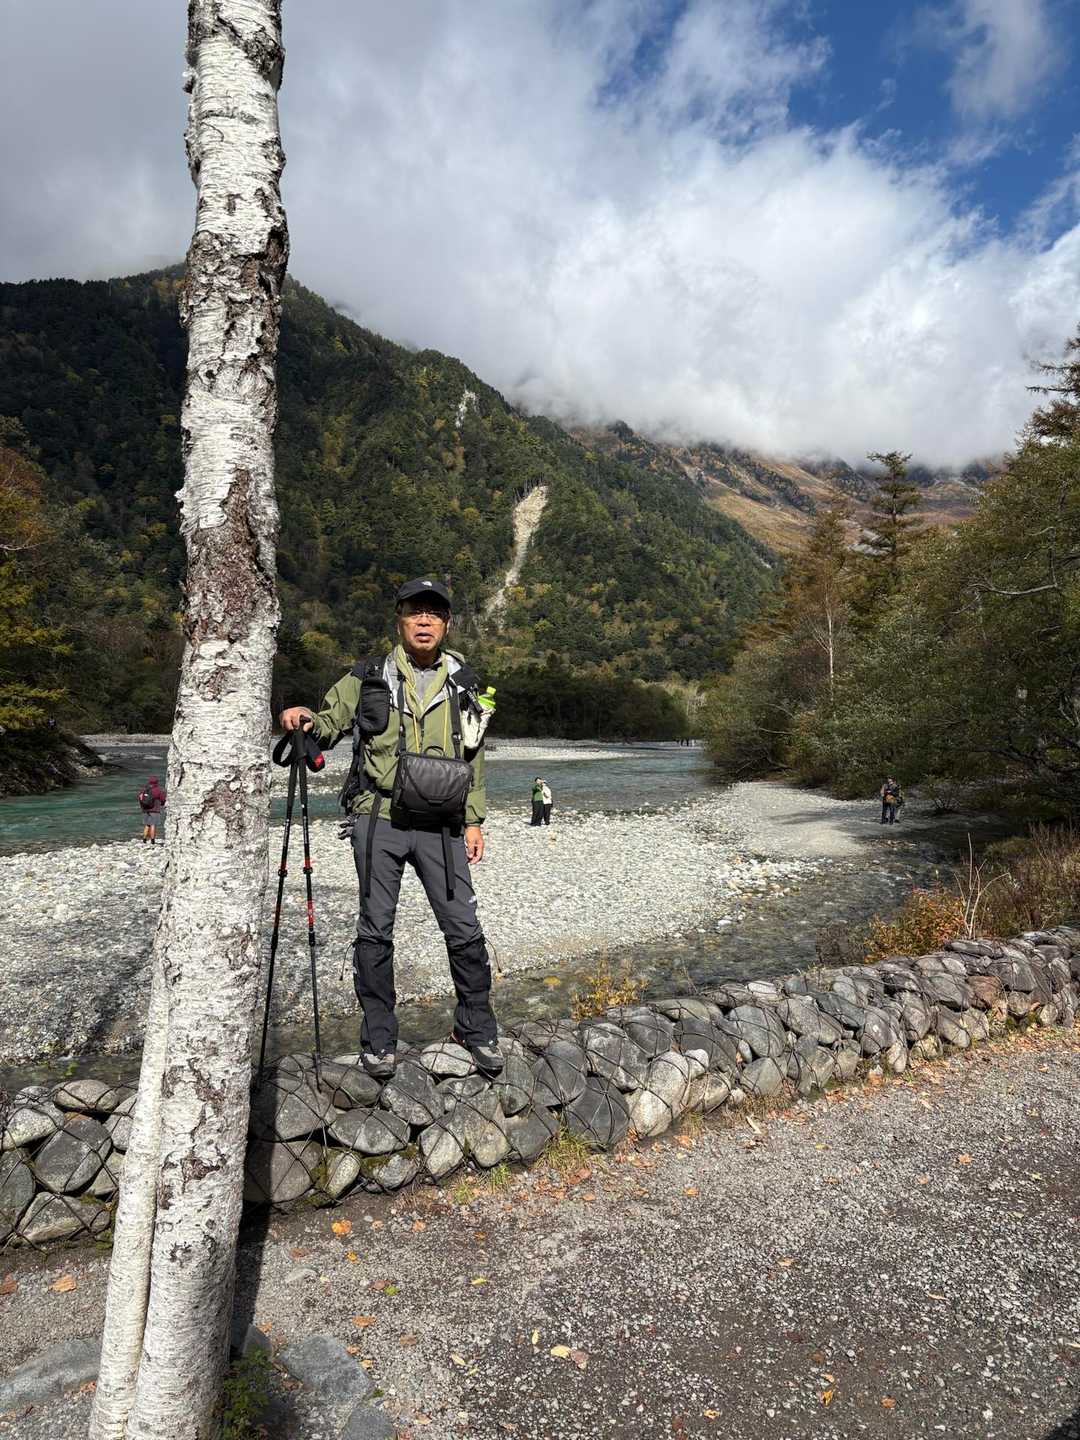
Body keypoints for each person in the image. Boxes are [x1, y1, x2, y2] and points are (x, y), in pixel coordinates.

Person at [279, 578, 502, 1080]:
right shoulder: (367, 676)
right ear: (399, 620)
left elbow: (474, 754)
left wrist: (474, 820)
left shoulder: (465, 683)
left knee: (463, 927)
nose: (424, 620)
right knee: (375, 928)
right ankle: (379, 1037)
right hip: (378, 818)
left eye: (434, 613)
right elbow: (328, 722)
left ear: (447, 624)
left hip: (443, 824)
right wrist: (303, 717)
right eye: (415, 611)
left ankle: (475, 1027)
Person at [138, 774, 166, 844]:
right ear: (157, 782)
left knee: (147, 825)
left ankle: (144, 840)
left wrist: (143, 807)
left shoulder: (144, 789)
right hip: (154, 810)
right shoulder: (158, 790)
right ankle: (152, 841)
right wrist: (162, 804)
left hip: (145, 809)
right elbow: (163, 799)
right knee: (153, 824)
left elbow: (140, 798)